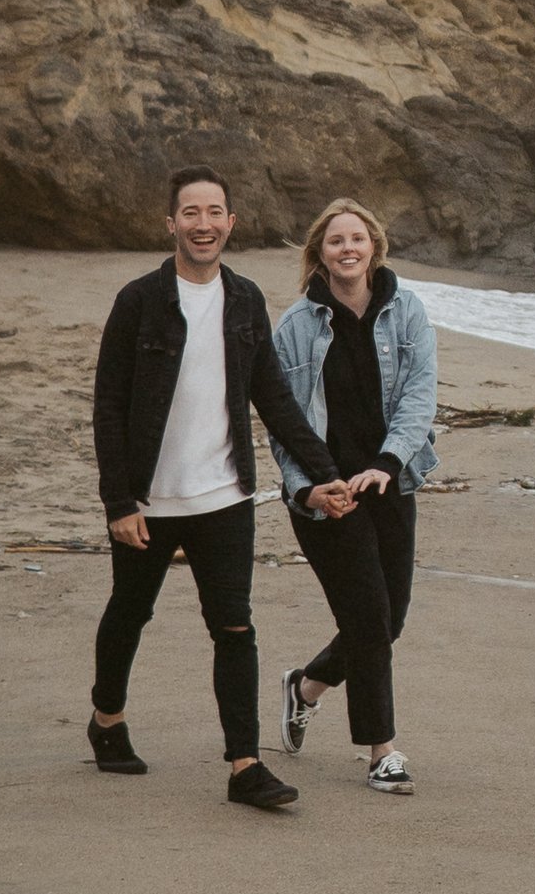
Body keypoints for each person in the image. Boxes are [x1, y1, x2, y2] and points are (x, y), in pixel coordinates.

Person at [87, 166, 356, 813]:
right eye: (191, 213)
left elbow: (274, 399)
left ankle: (245, 766)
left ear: (231, 223)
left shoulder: (244, 301)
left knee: (234, 627)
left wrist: (324, 472)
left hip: (225, 497)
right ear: (171, 224)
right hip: (151, 499)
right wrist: (118, 502)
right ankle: (105, 720)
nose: (203, 224)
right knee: (131, 610)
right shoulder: (139, 301)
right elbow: (107, 406)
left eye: (215, 213)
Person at [271, 199, 439, 793]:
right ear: (319, 252)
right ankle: (381, 752)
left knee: (389, 621)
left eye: (358, 239)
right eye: (336, 240)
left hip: (390, 482)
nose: (348, 248)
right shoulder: (295, 327)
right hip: (328, 492)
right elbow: (283, 421)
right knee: (368, 619)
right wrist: (309, 489)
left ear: (374, 247)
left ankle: (306, 686)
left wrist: (387, 464)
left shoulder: (406, 309)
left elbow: (420, 395)